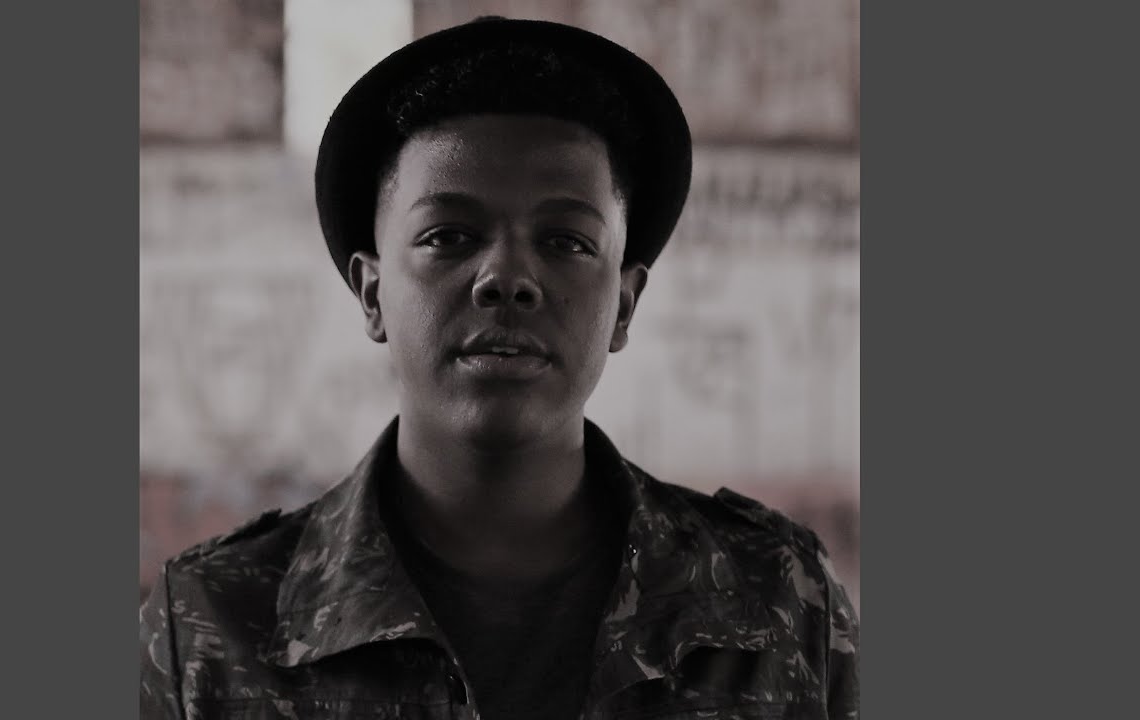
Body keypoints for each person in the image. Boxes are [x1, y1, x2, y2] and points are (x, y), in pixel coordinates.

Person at [140, 17, 859, 720]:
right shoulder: (211, 627)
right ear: (373, 293)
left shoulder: (777, 602)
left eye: (566, 241)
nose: (507, 277)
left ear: (623, 305)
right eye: (449, 235)